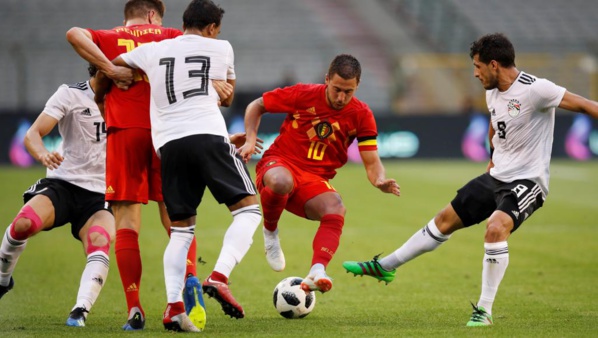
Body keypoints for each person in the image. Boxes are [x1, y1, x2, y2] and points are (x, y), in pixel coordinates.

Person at [343, 33, 598, 327]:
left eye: (477, 66)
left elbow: (583, 104)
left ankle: (484, 310)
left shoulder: (536, 89)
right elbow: (495, 125)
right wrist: (493, 155)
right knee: (443, 220)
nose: (474, 73)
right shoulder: (492, 91)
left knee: (495, 227)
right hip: (497, 175)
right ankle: (385, 267)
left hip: (529, 182)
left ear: (493, 64)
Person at [109, 0, 262, 331]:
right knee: (249, 211)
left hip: (168, 145)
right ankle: (219, 276)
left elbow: (115, 64)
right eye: (216, 30)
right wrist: (213, 85)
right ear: (210, 29)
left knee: (180, 231)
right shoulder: (221, 48)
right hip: (208, 135)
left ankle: (174, 308)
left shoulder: (153, 49)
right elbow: (228, 97)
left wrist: (127, 75)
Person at [65, 0, 205, 330]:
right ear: (154, 14)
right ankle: (189, 281)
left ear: (127, 15)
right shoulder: (171, 34)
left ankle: (134, 308)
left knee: (127, 218)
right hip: (168, 131)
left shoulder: (109, 37)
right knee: (176, 214)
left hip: (125, 131)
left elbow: (73, 33)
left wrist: (110, 70)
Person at [240, 54, 401, 294]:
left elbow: (372, 161)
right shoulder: (302, 94)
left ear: (358, 86)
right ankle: (270, 231)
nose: (341, 97)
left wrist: (379, 180)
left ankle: (317, 270)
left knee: (336, 207)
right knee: (281, 181)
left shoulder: (362, 114)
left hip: (314, 179)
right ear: (326, 79)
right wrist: (251, 139)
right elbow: (257, 105)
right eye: (336, 89)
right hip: (280, 162)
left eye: (348, 92)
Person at [0, 65, 115, 327]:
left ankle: (80, 310)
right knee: (23, 224)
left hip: (100, 194)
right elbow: (33, 134)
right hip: (63, 184)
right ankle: (2, 279)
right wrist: (42, 154)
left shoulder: (129, 100)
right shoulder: (70, 94)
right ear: (98, 68)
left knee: (100, 240)